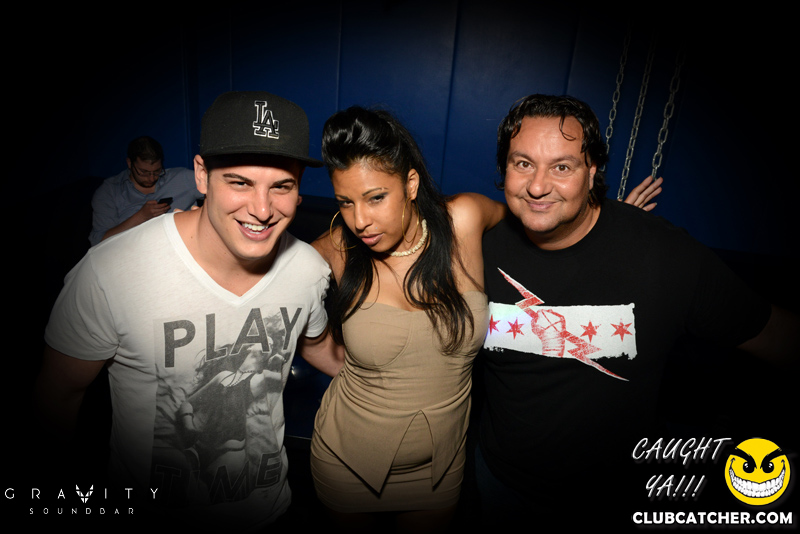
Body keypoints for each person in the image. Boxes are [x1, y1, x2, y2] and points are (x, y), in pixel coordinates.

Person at [307, 106, 661, 532]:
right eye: (345, 202)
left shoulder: (464, 219)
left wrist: (601, 221)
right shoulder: (337, 248)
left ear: (411, 184)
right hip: (347, 459)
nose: (360, 219)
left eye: (376, 197)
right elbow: (279, 297)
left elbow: (536, 213)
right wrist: (361, 368)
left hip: (438, 470)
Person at [476, 94, 795, 526]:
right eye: (523, 163)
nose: (537, 186)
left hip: (618, 497)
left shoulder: (663, 254)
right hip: (500, 484)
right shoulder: (478, 250)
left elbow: (775, 335)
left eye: (562, 167)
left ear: (592, 172)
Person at [35, 91, 341, 529]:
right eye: (239, 182)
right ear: (201, 175)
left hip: (268, 512)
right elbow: (57, 398)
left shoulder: (306, 270)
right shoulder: (111, 271)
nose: (262, 210)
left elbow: (320, 347)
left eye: (281, 186)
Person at [89, 136, 206, 245]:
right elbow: (98, 242)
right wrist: (141, 217)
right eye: (144, 172)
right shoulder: (110, 191)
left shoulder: (182, 178)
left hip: (182, 245)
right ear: (130, 163)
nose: (151, 178)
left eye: (157, 171)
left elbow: (216, 190)